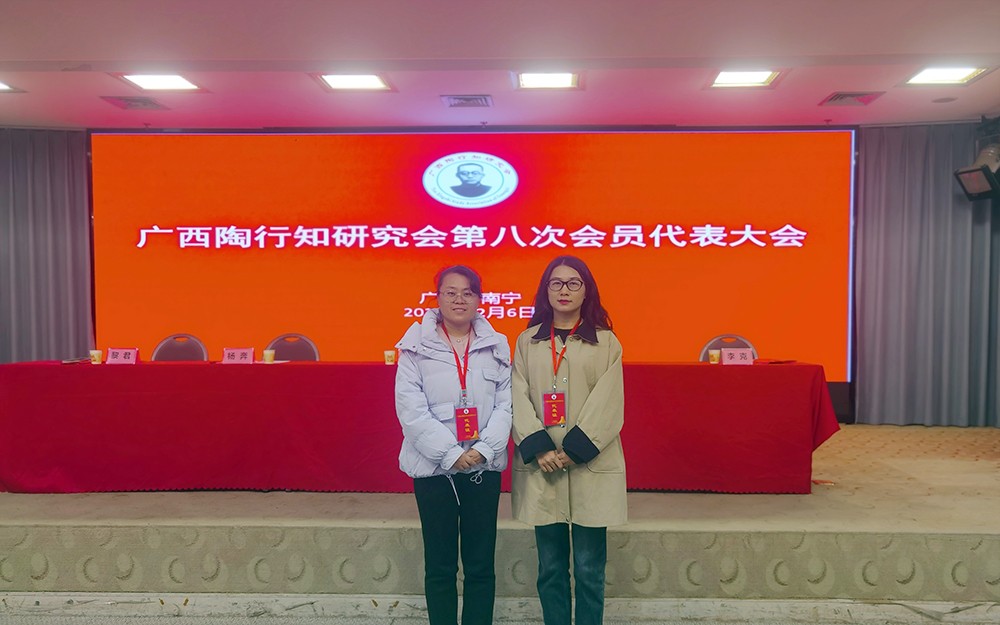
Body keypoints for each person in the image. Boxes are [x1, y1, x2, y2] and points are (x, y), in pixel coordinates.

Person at [510, 255, 626, 625]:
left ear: (586, 290)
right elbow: (516, 395)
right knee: (550, 569)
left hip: (590, 465)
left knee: (590, 570)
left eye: (573, 283)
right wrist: (540, 447)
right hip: (544, 467)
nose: (564, 290)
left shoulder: (606, 343)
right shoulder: (527, 341)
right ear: (545, 290)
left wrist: (573, 451)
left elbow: (609, 402)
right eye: (556, 283)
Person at [394, 265, 512, 625]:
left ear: (479, 299)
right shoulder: (415, 346)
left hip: (482, 467)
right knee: (440, 565)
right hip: (434, 471)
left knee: (480, 565)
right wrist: (449, 453)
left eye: (468, 292)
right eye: (451, 292)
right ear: (437, 297)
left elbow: (507, 405)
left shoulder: (497, 344)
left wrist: (484, 450)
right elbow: (410, 409)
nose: (459, 299)